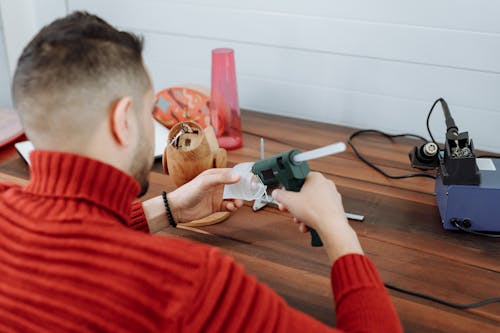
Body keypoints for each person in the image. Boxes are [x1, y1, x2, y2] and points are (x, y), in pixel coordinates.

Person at [0, 12, 403, 332]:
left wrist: (170, 209)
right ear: (123, 121)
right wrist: (337, 230)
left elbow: (77, 235)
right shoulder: (188, 284)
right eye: (147, 110)